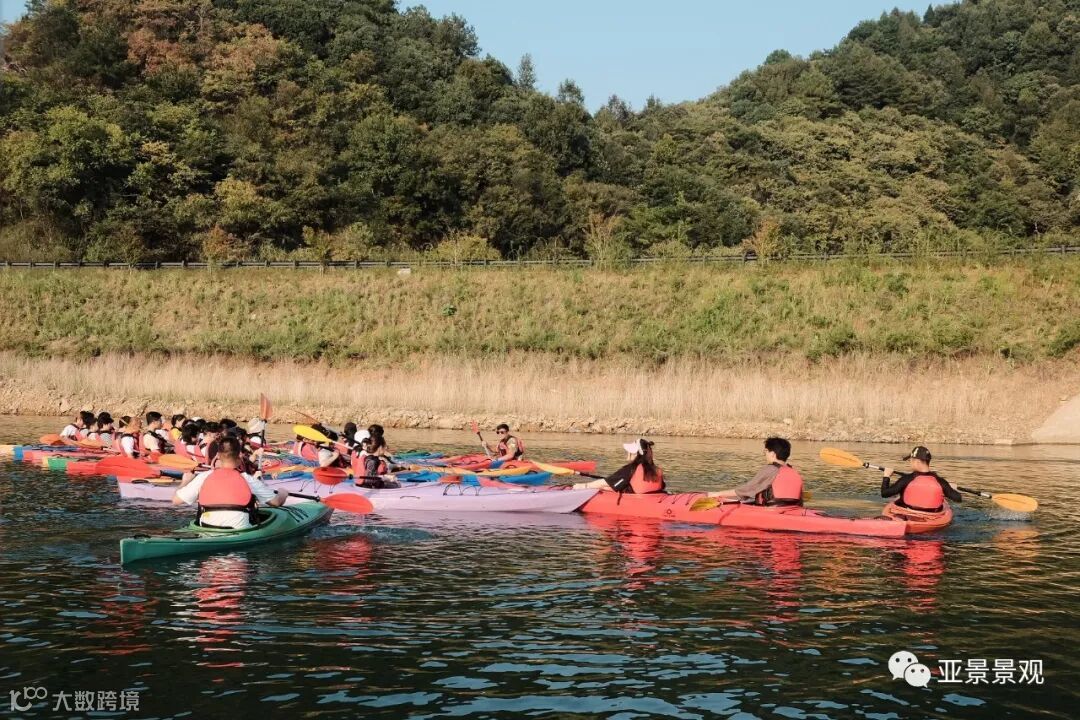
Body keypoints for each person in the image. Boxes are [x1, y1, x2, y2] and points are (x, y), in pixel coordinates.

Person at [172, 437, 287, 529]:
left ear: (218, 456)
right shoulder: (248, 479)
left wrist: (185, 482)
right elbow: (276, 502)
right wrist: (283, 493)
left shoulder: (204, 476)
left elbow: (176, 501)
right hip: (239, 528)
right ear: (239, 456)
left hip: (207, 527)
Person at [713, 437, 804, 506]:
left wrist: (717, 494)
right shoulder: (794, 471)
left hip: (772, 511)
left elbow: (746, 490)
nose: (765, 455)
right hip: (793, 510)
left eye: (766, 451)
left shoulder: (770, 469)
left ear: (772, 454)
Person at [881, 446, 961, 512]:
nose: (910, 463)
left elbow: (884, 493)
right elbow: (958, 498)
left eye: (911, 460)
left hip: (909, 514)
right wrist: (951, 489)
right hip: (933, 517)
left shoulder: (906, 479)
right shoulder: (941, 482)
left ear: (917, 462)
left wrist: (886, 476)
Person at [576, 439, 665, 494]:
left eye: (630, 452)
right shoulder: (656, 469)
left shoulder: (630, 469)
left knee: (602, 486)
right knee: (605, 487)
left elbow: (605, 482)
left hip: (638, 501)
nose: (628, 453)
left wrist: (584, 486)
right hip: (655, 498)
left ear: (635, 454)